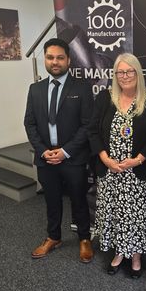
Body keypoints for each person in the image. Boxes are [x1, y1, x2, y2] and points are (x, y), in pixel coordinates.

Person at [88, 53, 146, 278]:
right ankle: (119, 253)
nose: (125, 76)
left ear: (138, 73)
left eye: (129, 71)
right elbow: (92, 131)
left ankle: (136, 256)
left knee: (136, 216)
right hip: (111, 172)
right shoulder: (104, 98)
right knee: (115, 214)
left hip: (137, 172)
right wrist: (104, 158)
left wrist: (138, 159)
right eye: (120, 72)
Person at [24, 38, 94, 263]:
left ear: (69, 60)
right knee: (51, 200)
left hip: (72, 158)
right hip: (46, 158)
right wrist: (43, 151)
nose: (55, 62)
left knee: (78, 200)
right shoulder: (35, 89)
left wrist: (65, 151)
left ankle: (84, 238)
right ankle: (53, 237)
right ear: (45, 59)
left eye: (60, 57)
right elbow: (30, 123)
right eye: (50, 57)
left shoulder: (81, 89)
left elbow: (87, 125)